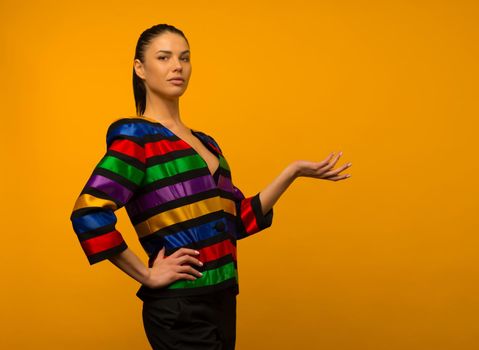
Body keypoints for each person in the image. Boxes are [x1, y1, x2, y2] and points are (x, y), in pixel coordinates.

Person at [69, 23, 352, 350]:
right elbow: (88, 212)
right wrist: (147, 276)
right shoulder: (137, 138)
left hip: (222, 300)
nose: (177, 66)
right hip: (179, 307)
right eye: (164, 57)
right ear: (140, 69)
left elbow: (237, 221)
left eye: (184, 58)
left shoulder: (207, 143)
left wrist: (293, 172)